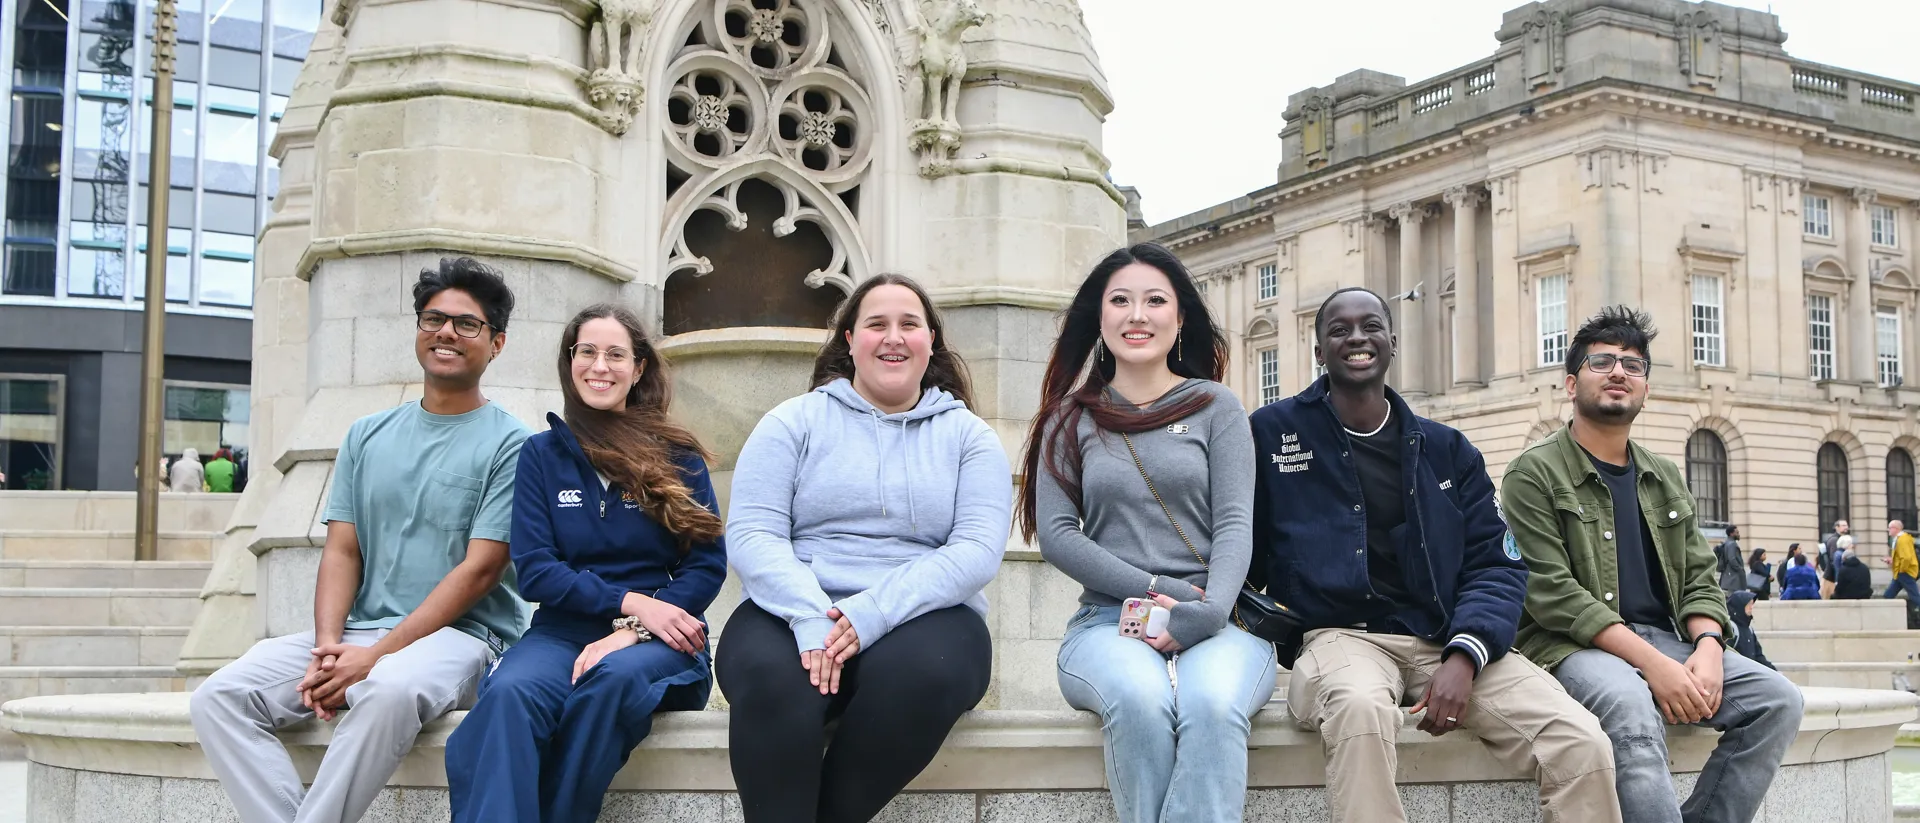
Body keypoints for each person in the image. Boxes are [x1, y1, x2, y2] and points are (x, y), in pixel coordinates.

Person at [1256, 287, 1619, 823]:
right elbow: (1237, 542)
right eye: (1339, 329)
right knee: (1359, 710)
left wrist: (1467, 652)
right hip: (1339, 638)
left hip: (1444, 635)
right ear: (1318, 352)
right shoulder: (1271, 433)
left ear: (1392, 343)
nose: (1357, 337)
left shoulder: (1447, 449)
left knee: (1581, 740)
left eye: (1371, 326)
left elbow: (1496, 563)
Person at [188, 258, 531, 823]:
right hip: (357, 632)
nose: (445, 332)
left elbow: (480, 572)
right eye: (432, 319)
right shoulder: (366, 434)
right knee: (219, 698)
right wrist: (329, 650)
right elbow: (343, 550)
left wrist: (373, 658)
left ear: (496, 344)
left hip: (462, 639)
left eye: (465, 324)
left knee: (389, 689)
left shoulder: (514, 445)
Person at [716, 273, 1012, 823]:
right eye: (876, 324)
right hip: (794, 609)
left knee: (928, 676)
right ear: (849, 340)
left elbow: (974, 551)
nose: (893, 337)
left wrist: (871, 612)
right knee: (770, 681)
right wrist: (810, 616)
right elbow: (754, 534)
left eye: (909, 325)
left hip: (925, 615)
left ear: (931, 342)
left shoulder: (970, 438)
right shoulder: (792, 422)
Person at [1502, 306, 1803, 823]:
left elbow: (1699, 578)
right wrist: (1653, 664)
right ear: (1571, 385)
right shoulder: (1533, 472)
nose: (1619, 372)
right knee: (1631, 707)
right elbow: (1550, 591)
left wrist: (1708, 645)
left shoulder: (1662, 474)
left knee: (1778, 701)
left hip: (1667, 637)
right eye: (1602, 362)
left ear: (1645, 389)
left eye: (1633, 365)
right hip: (1571, 646)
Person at [1018, 243, 1272, 823]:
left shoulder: (1216, 407)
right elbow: (1058, 535)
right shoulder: (1070, 416)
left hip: (1218, 619)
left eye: (1155, 300)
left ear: (1179, 318)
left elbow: (1236, 521)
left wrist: (1207, 610)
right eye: (1121, 301)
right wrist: (1162, 587)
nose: (1138, 315)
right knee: (1139, 699)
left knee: (1212, 704)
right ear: (1100, 317)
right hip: (1110, 622)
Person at [445, 305, 726, 823]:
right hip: (559, 636)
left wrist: (637, 627)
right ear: (569, 363)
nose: (600, 365)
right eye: (587, 352)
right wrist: (628, 601)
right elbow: (536, 570)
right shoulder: (540, 456)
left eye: (616, 354)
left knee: (610, 679)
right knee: (507, 695)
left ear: (638, 369)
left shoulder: (677, 456)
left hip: (662, 640)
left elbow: (707, 565)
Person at [1725, 591, 1774, 670]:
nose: (1751, 607)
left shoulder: (1749, 629)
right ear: (1740, 606)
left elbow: (1759, 656)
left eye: (1752, 604)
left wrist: (1774, 671)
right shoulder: (1731, 629)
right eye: (1748, 605)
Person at [1883, 520, 1918, 601]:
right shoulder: (1900, 539)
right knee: (1888, 595)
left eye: (1890, 528)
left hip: (1904, 572)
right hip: (1900, 573)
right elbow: (1901, 556)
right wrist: (1892, 561)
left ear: (1896, 528)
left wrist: (1902, 570)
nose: (1889, 530)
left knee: (1915, 596)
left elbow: (1906, 558)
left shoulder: (1902, 539)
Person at [1819, 520, 1850, 599]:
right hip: (1831, 579)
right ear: (1837, 527)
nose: (1846, 527)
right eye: (1843, 526)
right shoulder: (1834, 540)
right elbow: (1834, 560)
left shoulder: (1841, 539)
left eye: (1846, 525)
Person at [1716, 526, 1746, 594]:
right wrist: (1740, 569)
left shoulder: (1726, 543)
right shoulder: (1732, 544)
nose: (1739, 534)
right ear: (1731, 534)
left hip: (1727, 577)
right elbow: (1732, 559)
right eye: (1737, 532)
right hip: (1733, 579)